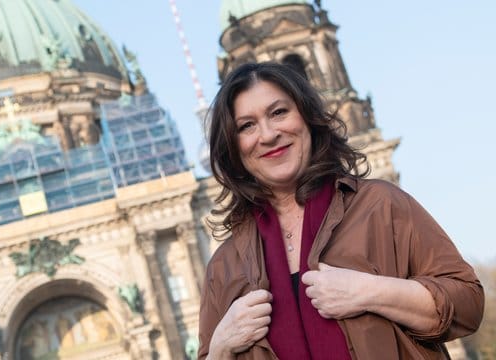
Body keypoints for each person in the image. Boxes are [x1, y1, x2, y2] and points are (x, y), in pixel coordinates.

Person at [198, 62, 484, 359]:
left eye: (279, 112)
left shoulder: (379, 204)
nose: (268, 134)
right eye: (247, 125)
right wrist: (220, 348)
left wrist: (372, 292)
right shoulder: (223, 267)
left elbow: (468, 305)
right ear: (233, 148)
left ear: (307, 118)